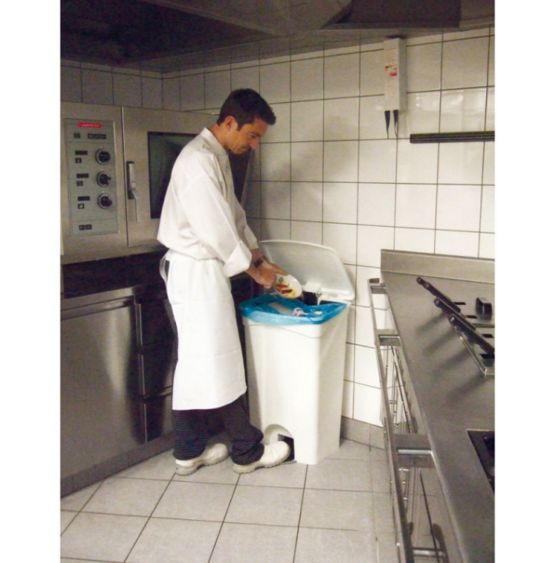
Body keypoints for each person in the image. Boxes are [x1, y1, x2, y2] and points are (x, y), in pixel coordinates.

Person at [157, 88, 290, 476]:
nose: (255, 145)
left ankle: (188, 450)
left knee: (196, 361)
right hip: (195, 272)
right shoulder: (198, 161)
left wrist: (259, 256)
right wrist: (255, 270)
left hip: (202, 270)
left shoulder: (215, 156)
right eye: (253, 135)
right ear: (230, 122)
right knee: (218, 359)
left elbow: (233, 216)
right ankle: (247, 451)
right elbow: (215, 230)